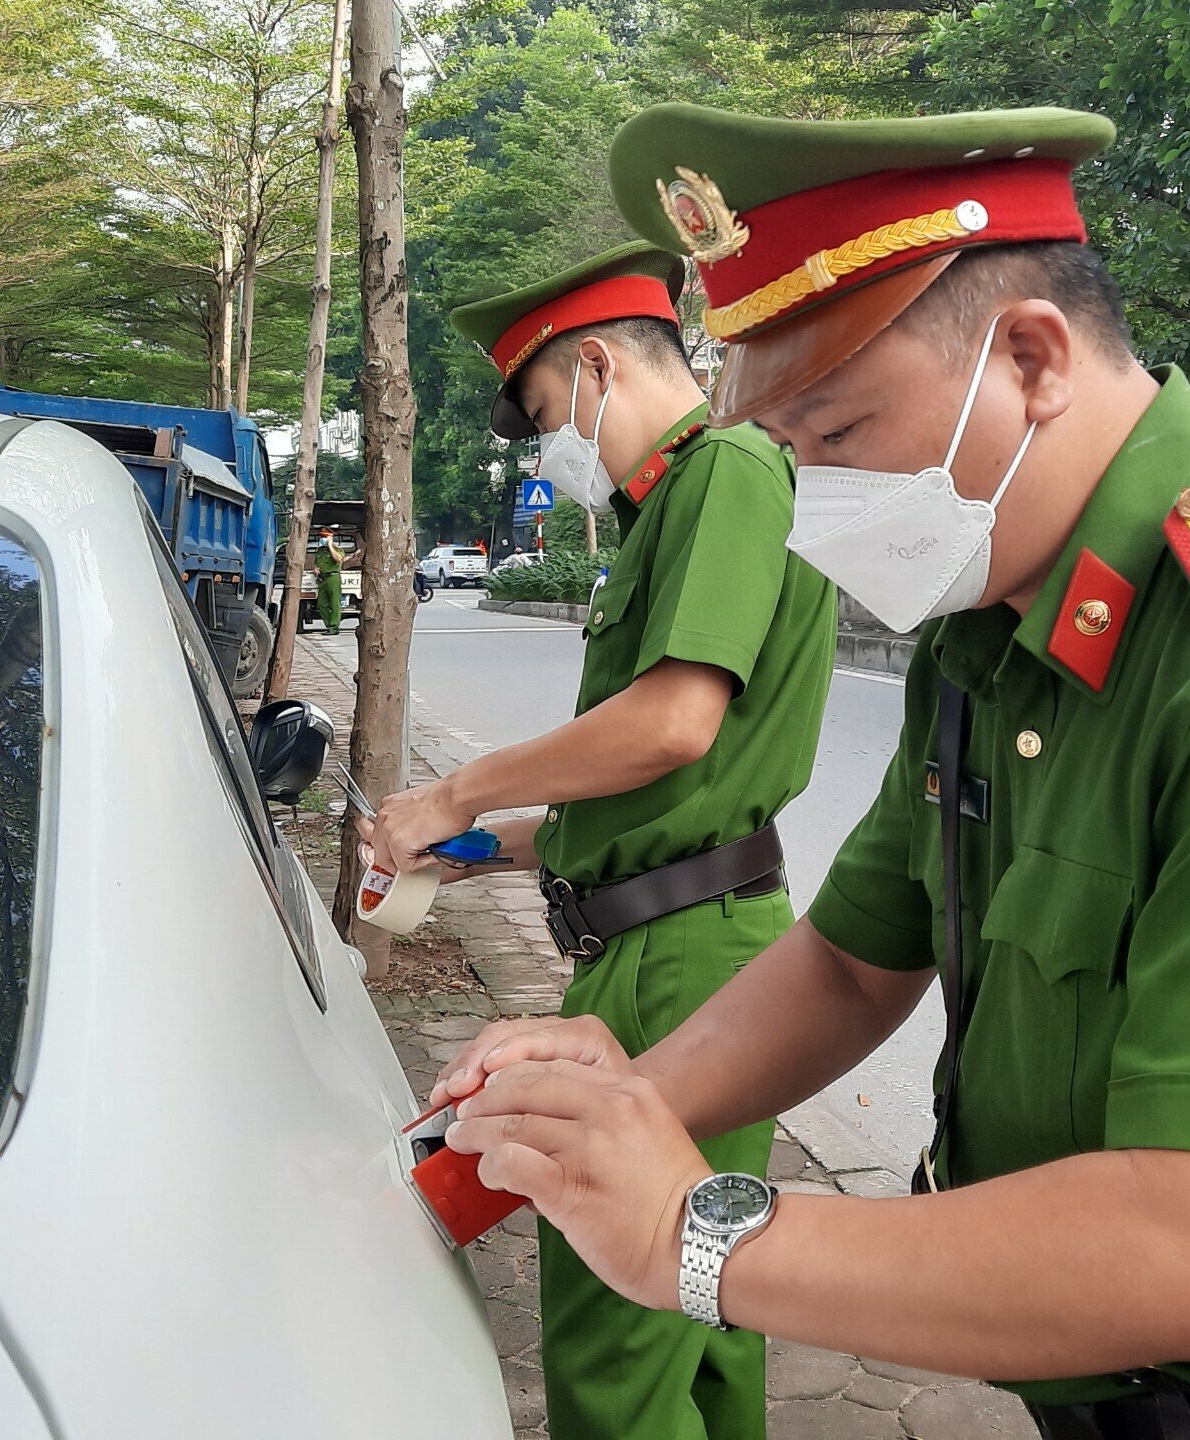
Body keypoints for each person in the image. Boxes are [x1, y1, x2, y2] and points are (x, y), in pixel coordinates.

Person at [428, 104, 1190, 1439]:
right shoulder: (989, 620)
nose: (811, 510)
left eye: (840, 434)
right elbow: (861, 958)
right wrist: (623, 1100)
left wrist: (701, 1237)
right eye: (785, 456)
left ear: (1032, 357)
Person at [369, 241, 837, 1440]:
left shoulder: (725, 470)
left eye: (541, 419)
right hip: (673, 934)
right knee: (698, 1308)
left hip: (679, 957)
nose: (546, 451)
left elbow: (673, 725)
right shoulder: (678, 501)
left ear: (593, 365)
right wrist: (469, 849)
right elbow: (630, 799)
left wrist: (458, 792)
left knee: (615, 1327)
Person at [313, 526, 349, 634]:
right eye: (321, 537)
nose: (322, 539)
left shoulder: (338, 550)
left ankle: (333, 627)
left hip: (333, 578)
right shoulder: (320, 551)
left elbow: (338, 559)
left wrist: (330, 546)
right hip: (322, 579)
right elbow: (316, 562)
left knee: (334, 603)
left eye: (325, 537)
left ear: (331, 538)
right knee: (322, 604)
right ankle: (329, 625)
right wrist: (315, 568)